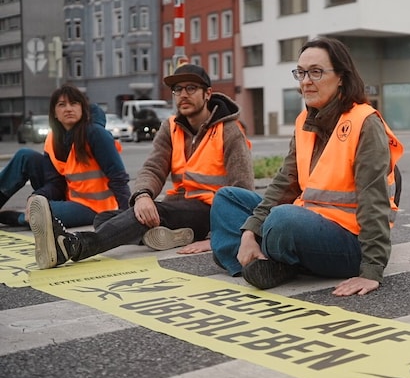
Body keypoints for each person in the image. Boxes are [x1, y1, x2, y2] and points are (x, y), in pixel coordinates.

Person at [209, 37, 403, 296]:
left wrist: (372, 270)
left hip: (349, 240)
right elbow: (284, 183)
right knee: (226, 199)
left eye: (316, 72)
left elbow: (373, 200)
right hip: (308, 220)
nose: (305, 81)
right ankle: (261, 261)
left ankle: (255, 258)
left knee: (281, 220)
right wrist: (249, 232)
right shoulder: (305, 121)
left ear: (342, 77)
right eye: (300, 72)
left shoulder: (364, 122)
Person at [29, 64, 254, 269]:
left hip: (211, 211)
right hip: (178, 208)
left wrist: (217, 237)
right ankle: (168, 234)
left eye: (191, 88)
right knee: (104, 218)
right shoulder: (171, 127)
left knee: (147, 214)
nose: (183, 94)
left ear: (207, 94)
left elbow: (242, 190)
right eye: (178, 89)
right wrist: (143, 196)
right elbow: (153, 168)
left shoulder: (229, 130)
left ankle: (74, 246)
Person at [0, 85, 130, 228]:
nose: (68, 109)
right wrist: (37, 196)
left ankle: (20, 218)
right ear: (55, 113)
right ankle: (32, 213)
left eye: (74, 103)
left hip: (97, 207)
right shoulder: (52, 139)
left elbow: (118, 178)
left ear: (82, 109)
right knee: (24, 156)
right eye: (62, 105)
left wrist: (128, 217)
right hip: (69, 197)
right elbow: (56, 184)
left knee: (41, 212)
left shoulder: (95, 133)